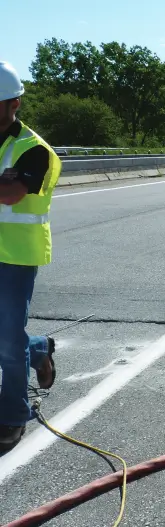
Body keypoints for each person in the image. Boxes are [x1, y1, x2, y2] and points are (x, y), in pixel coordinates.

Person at [0, 61, 62, 451]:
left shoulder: (32, 149)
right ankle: (38, 349)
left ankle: (13, 415)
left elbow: (11, 195)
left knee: (7, 341)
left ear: (15, 103)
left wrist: (5, 185)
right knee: (10, 338)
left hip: (17, 257)